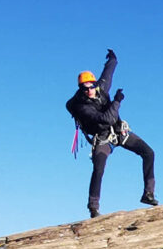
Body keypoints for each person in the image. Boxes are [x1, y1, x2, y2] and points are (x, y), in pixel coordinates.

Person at [65, 49, 155, 219]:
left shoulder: (101, 87)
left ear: (94, 84)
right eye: (85, 89)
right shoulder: (81, 107)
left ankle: (148, 194)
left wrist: (113, 59)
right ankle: (93, 207)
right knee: (98, 168)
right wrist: (117, 101)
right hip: (103, 137)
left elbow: (109, 72)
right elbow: (106, 119)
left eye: (91, 86)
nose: (89, 90)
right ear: (80, 90)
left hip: (119, 131)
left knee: (149, 153)